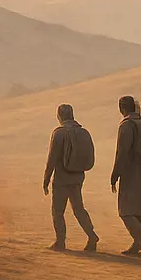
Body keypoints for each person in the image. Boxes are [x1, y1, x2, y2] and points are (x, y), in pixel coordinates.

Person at [43, 104, 100, 252]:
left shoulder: (59, 133)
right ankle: (91, 235)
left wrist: (46, 178)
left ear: (59, 116)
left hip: (62, 178)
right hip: (78, 177)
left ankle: (60, 242)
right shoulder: (83, 132)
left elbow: (52, 159)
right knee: (79, 209)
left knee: (58, 211)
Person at [110, 95, 141, 257]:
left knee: (126, 210)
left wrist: (115, 174)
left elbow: (122, 152)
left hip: (130, 171)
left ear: (121, 108)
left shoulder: (126, 126)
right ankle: (140, 245)